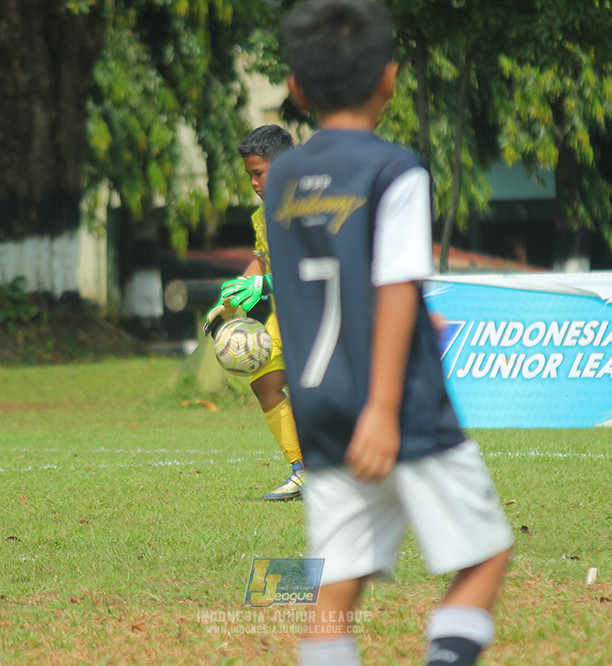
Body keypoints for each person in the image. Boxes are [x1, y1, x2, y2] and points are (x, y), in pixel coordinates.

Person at [263, 1, 514, 664]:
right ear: (391, 77)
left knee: (337, 588)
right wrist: (381, 407)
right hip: (398, 408)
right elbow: (399, 285)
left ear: (297, 87)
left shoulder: (281, 177)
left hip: (320, 411)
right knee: (486, 556)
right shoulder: (393, 168)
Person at [206, 124, 305, 501]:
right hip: (285, 315)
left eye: (258, 173)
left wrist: (263, 285)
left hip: (318, 314)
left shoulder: (307, 206)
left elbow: (307, 267)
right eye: (249, 175)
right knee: (264, 380)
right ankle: (302, 470)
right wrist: (231, 298)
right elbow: (264, 262)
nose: (254, 183)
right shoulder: (262, 217)